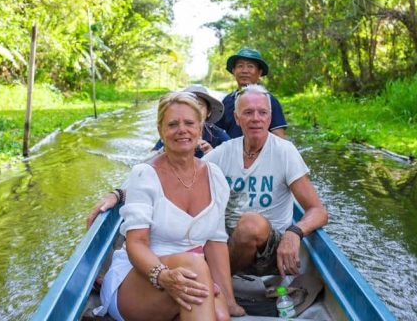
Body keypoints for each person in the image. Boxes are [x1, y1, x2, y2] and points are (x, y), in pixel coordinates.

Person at [95, 91, 243, 320]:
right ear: (160, 131)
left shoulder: (214, 176)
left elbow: (215, 243)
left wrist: (229, 300)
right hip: (141, 278)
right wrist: (163, 276)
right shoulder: (145, 174)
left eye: (189, 123)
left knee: (222, 315)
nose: (182, 130)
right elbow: (137, 243)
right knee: (193, 267)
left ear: (200, 128)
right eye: (172, 124)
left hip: (193, 274)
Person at [204, 84, 328, 277]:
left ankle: (218, 281)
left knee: (250, 224)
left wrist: (294, 232)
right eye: (248, 112)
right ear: (237, 118)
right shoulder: (224, 152)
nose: (256, 118)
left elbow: (318, 211)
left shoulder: (284, 152)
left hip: (266, 252)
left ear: (269, 118)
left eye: (262, 112)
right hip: (225, 241)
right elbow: (188, 177)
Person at [215, 48, 287, 139]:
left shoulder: (269, 101)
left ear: (259, 72)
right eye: (240, 66)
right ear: (233, 71)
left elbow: (279, 137)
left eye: (250, 66)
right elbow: (216, 134)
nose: (245, 71)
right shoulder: (227, 101)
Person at [152, 85, 230, 158]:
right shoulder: (172, 133)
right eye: (189, 106)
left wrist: (214, 157)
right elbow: (153, 156)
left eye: (199, 105)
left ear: (208, 112)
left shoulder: (219, 136)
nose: (194, 111)